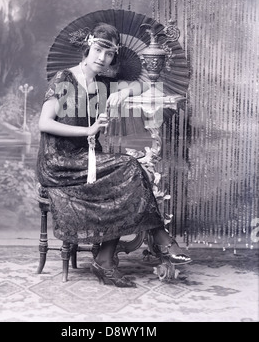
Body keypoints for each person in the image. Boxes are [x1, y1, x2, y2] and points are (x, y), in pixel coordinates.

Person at [36, 22, 191, 288]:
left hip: (89, 160)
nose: (102, 58)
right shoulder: (65, 79)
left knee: (127, 177)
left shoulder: (102, 84)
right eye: (98, 50)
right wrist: (90, 129)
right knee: (130, 166)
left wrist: (124, 93)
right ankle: (160, 238)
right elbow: (44, 123)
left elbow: (141, 87)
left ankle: (106, 260)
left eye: (109, 54)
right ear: (88, 47)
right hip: (59, 161)